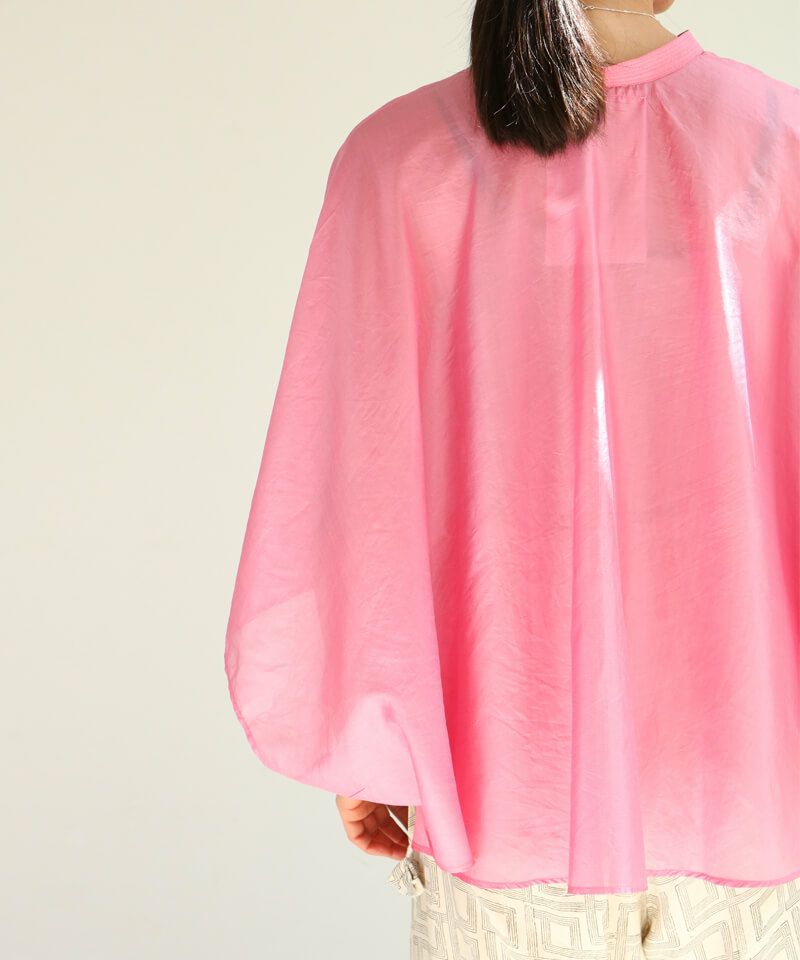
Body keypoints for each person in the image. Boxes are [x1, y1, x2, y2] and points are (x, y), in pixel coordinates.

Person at [224, 1, 800, 957]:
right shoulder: (779, 144)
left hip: (499, 784)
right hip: (743, 786)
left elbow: (357, 494)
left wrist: (376, 742)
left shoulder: (399, 160)